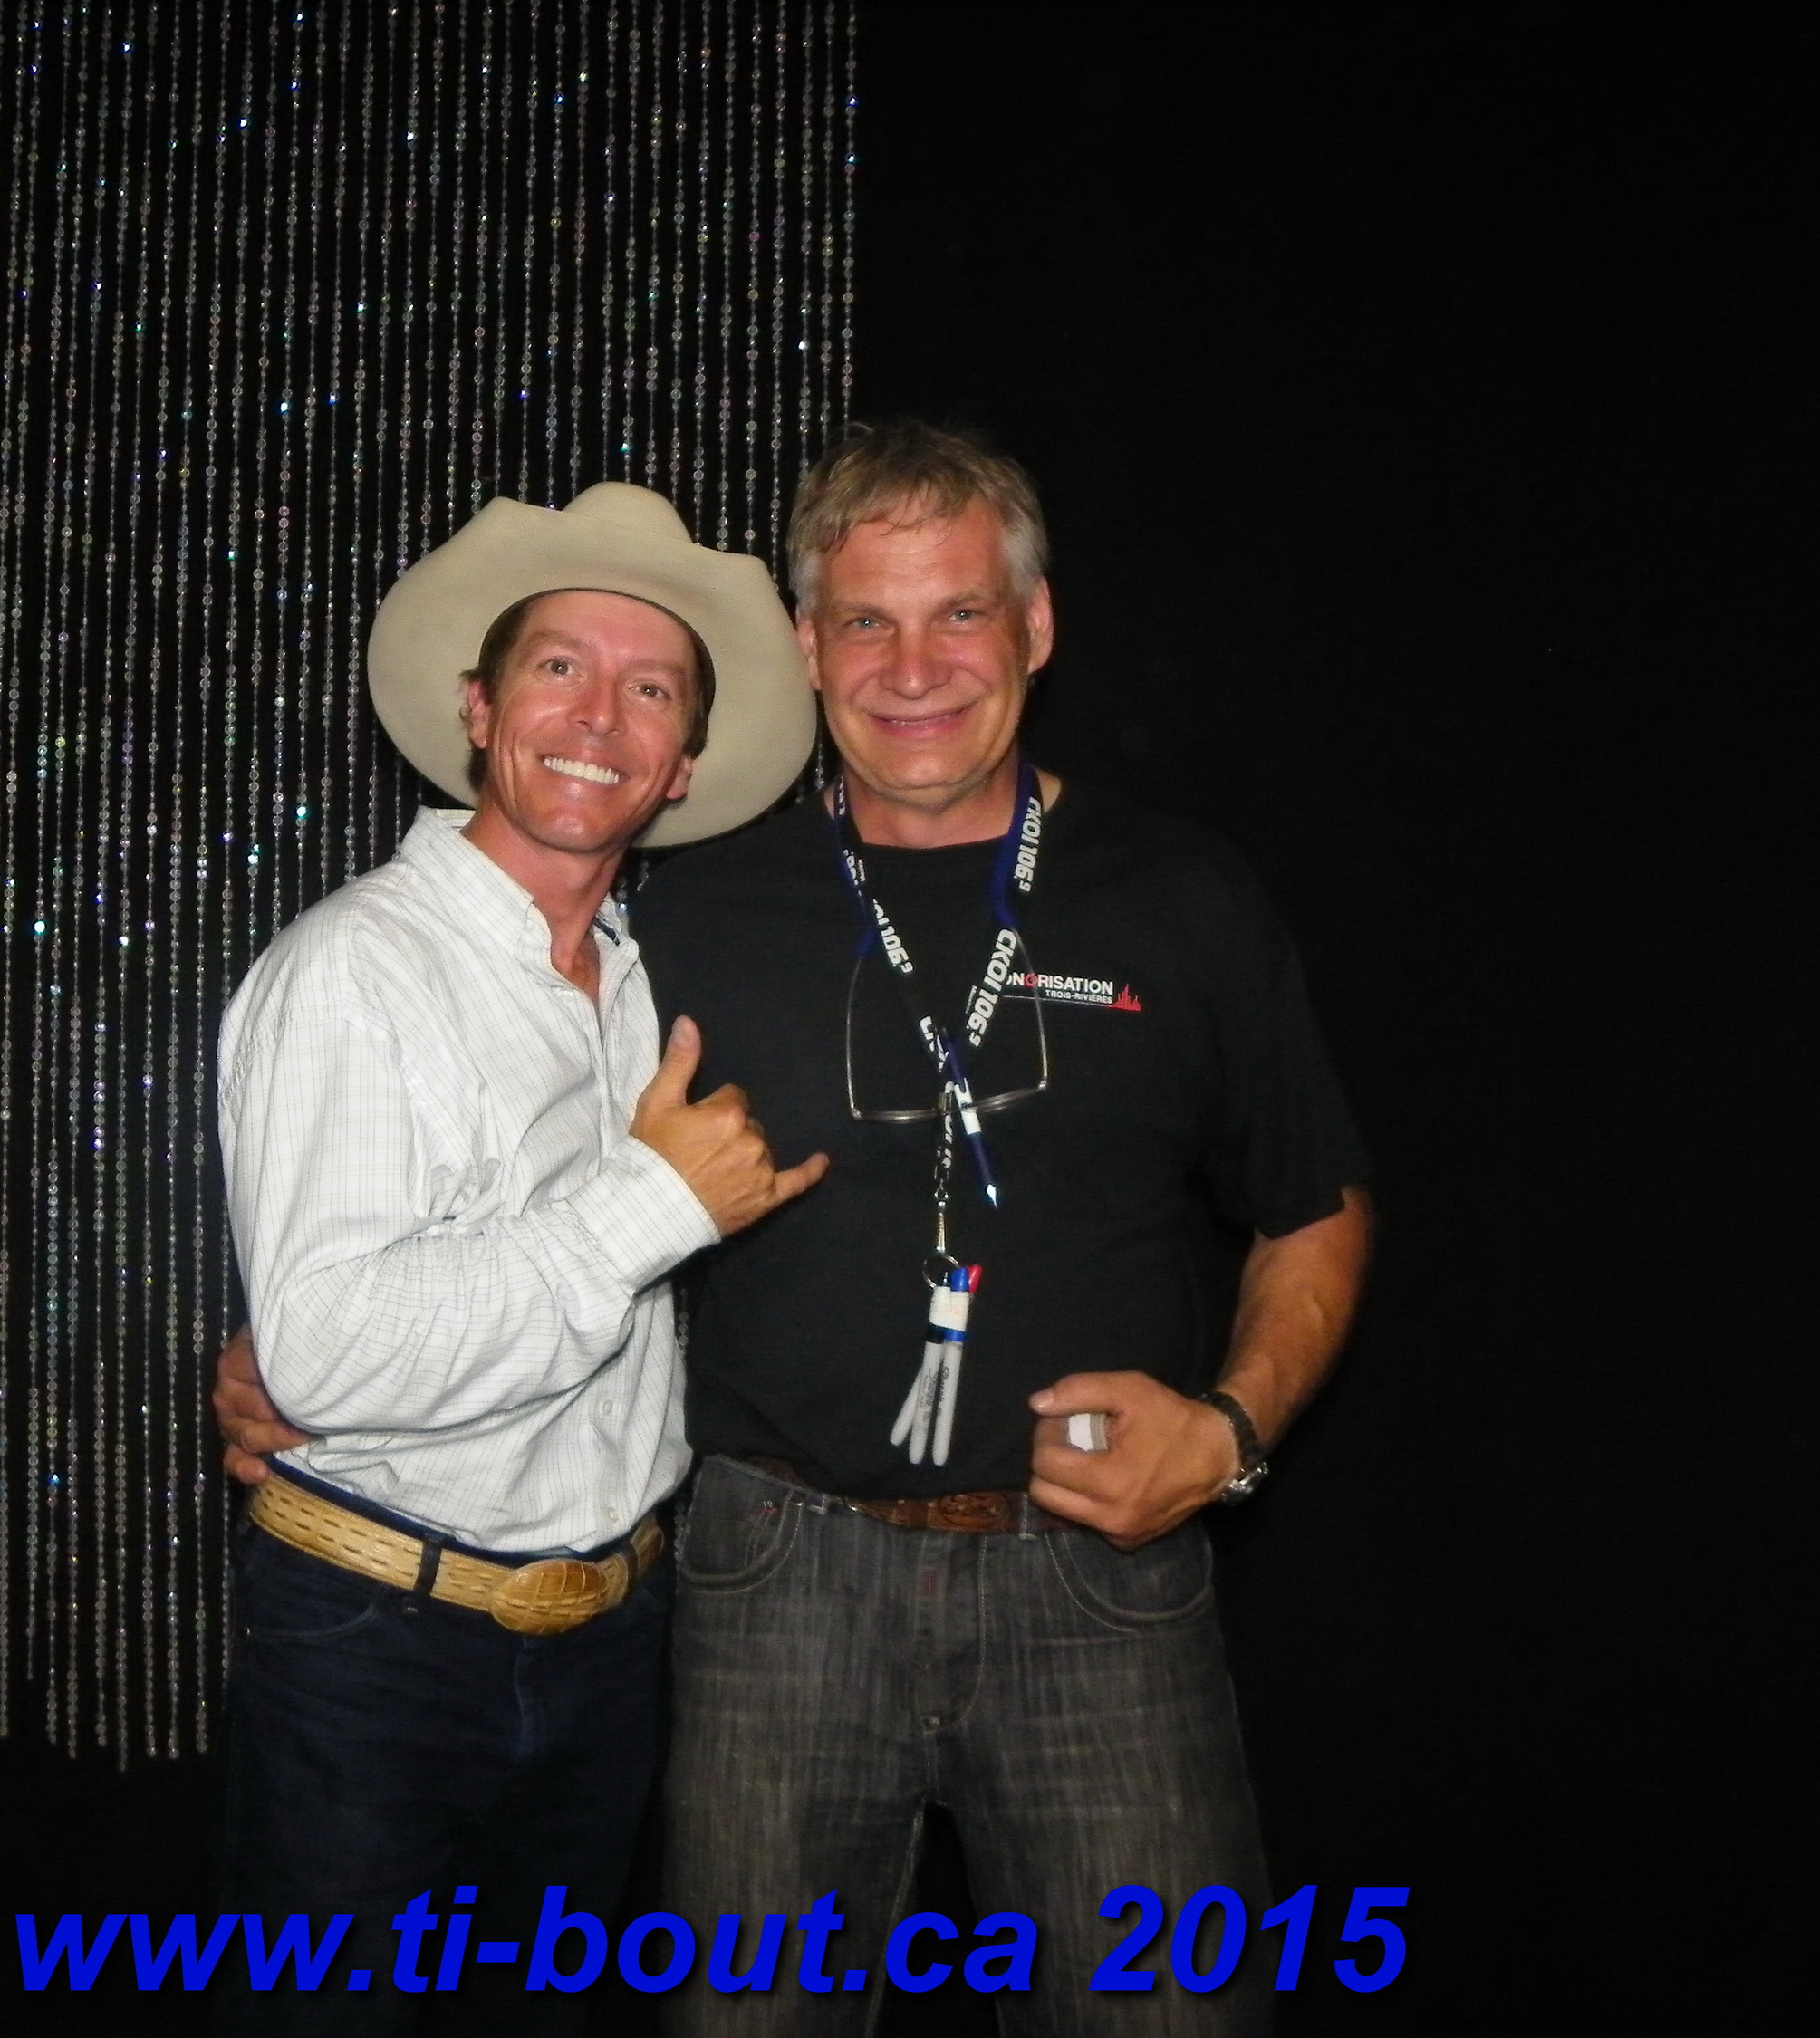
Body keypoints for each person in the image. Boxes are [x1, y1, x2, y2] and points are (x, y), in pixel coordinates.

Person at [218, 423, 1372, 2034]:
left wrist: (1234, 1434)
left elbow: (1315, 1208)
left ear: (1036, 626)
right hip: (774, 1583)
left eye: (960, 612)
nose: (915, 667)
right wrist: (300, 1344)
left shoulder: (1185, 897)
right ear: (810, 648)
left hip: (1099, 1583)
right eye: (867, 620)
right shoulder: (679, 908)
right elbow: (521, 1186)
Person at [210, 479, 825, 2037]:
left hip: (613, 1648)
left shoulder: (642, 983)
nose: (599, 716)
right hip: (375, 1650)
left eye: (651, 689)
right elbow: (327, 1353)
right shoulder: (356, 966)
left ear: (682, 764)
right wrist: (651, 1203)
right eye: (559, 666)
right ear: (480, 711)